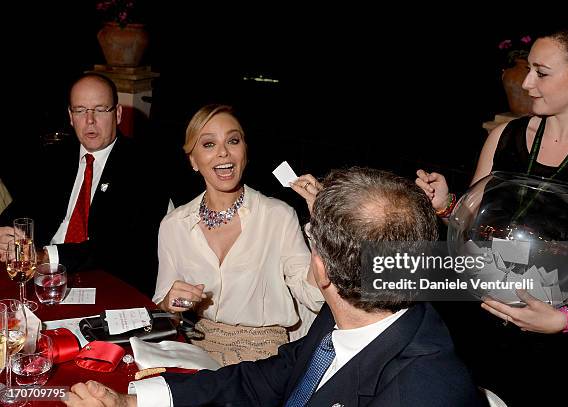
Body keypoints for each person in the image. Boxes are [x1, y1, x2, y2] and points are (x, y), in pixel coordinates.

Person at [64, 167, 484, 407]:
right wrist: (132, 402)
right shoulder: (344, 322)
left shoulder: (425, 390)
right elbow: (256, 383)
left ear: (321, 269)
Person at [416, 18, 568, 406]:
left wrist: (563, 319)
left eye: (541, 73)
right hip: (475, 318)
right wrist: (446, 206)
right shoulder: (503, 136)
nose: (525, 83)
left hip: (548, 344)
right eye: (527, 70)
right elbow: (472, 221)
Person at [152, 104, 324, 366]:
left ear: (244, 151)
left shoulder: (278, 215)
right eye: (208, 144)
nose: (223, 152)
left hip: (263, 354)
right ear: (193, 160)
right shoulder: (174, 225)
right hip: (194, 345)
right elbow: (164, 309)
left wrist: (322, 226)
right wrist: (169, 304)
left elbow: (312, 296)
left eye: (233, 141)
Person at [0, 73, 169, 296]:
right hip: (39, 280)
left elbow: (119, 248)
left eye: (100, 109)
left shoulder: (144, 167)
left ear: (117, 114)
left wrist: (45, 256)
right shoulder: (53, 159)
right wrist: (3, 234)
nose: (90, 120)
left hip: (105, 283)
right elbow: (18, 213)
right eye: (80, 110)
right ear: (70, 117)